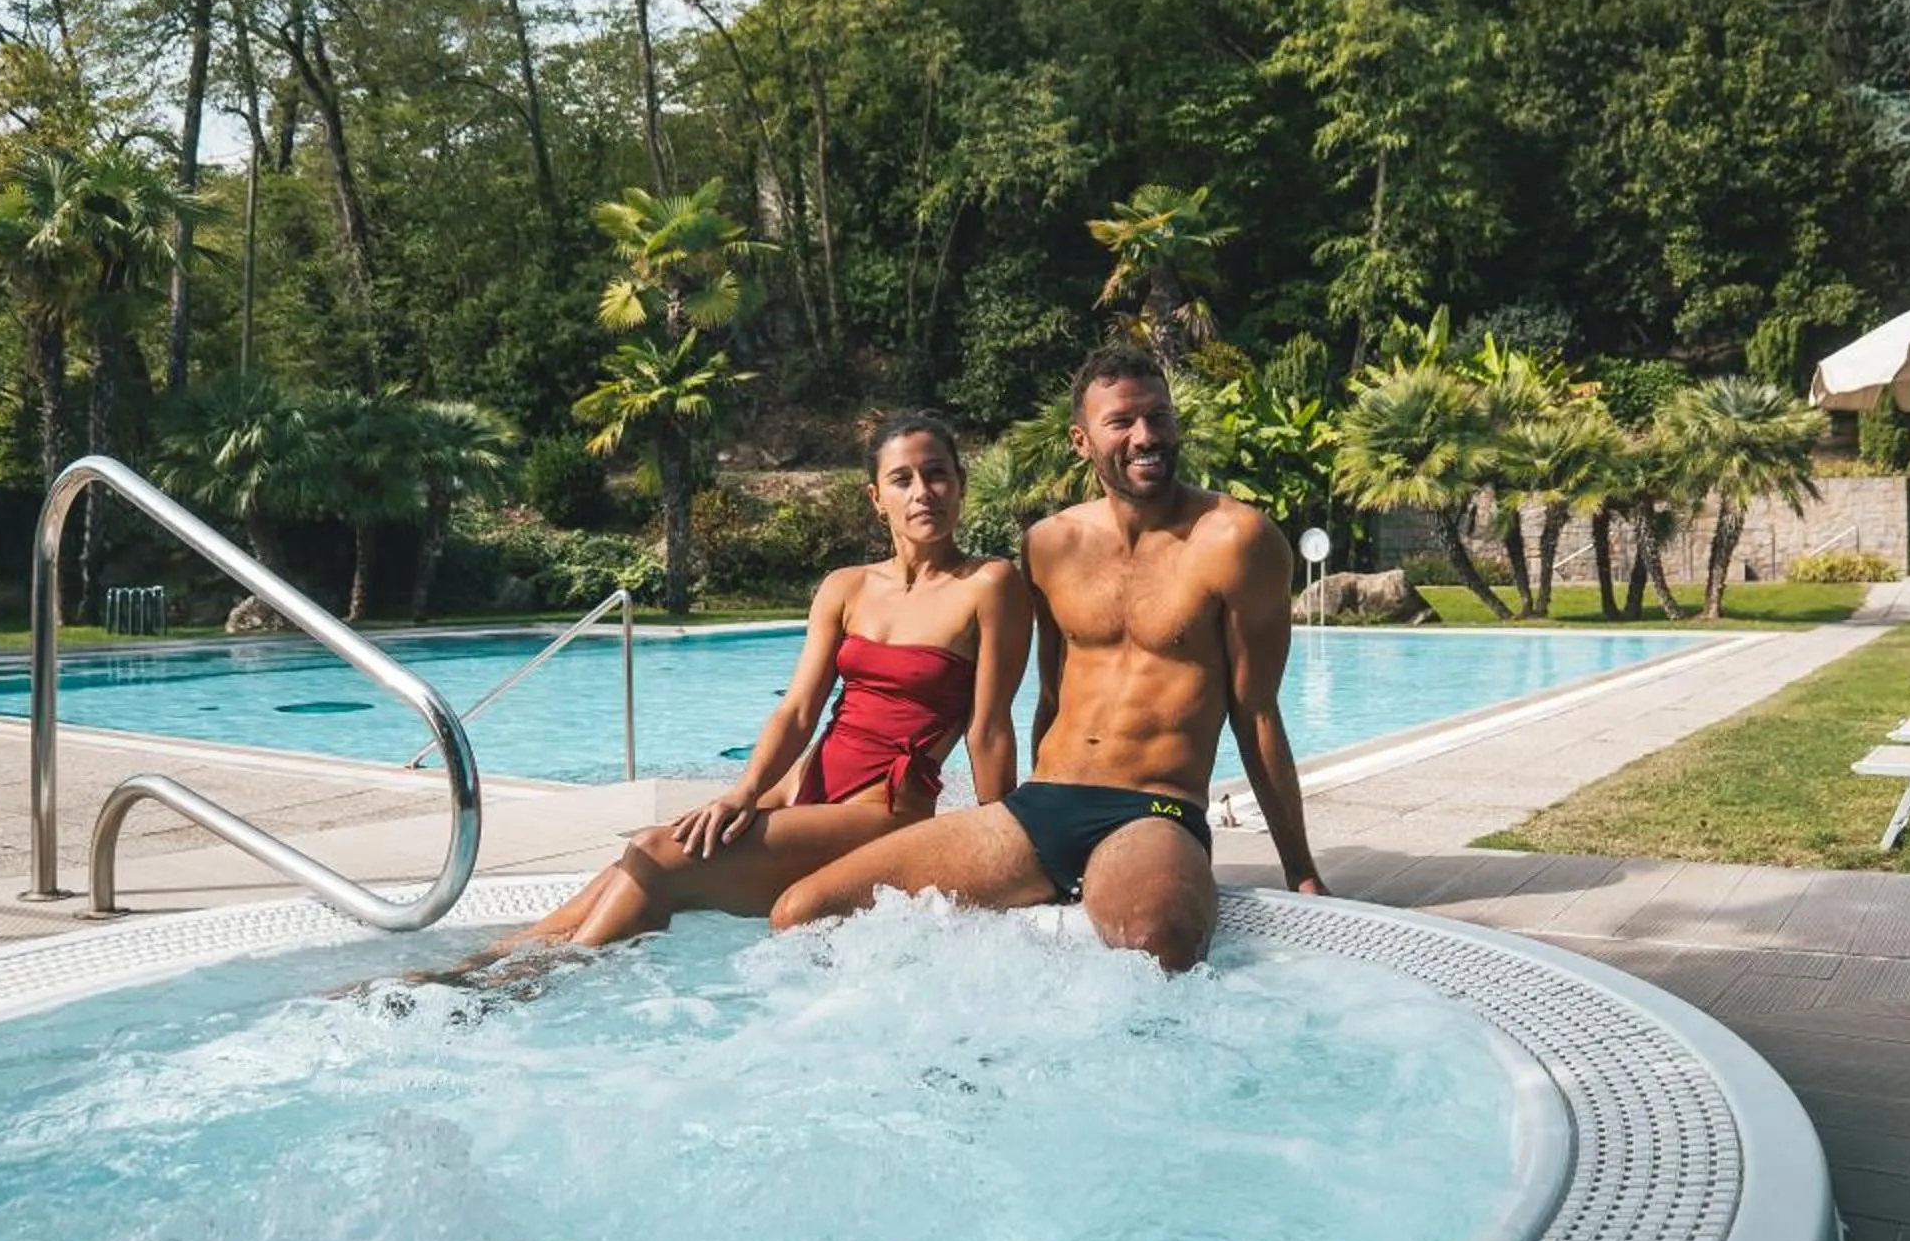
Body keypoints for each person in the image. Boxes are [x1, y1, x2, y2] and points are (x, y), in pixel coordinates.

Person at [768, 345, 1325, 972]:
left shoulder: (1237, 540)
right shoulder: (1049, 544)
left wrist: (1301, 872)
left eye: (1159, 417)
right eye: (1122, 422)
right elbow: (1049, 696)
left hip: (1152, 808)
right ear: (1081, 440)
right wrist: (1006, 814)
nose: (1147, 436)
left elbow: (1258, 717)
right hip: (1044, 805)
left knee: (1156, 937)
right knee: (804, 912)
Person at [476, 414, 1027, 961]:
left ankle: (530, 987)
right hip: (799, 788)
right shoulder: (847, 587)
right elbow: (797, 712)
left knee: (657, 856)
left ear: (960, 484)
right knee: (637, 859)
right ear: (875, 498)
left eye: (936, 474)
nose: (923, 492)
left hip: (882, 809)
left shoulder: (989, 584)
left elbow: (989, 727)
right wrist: (744, 791)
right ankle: (481, 966)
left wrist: (999, 844)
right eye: (902, 479)